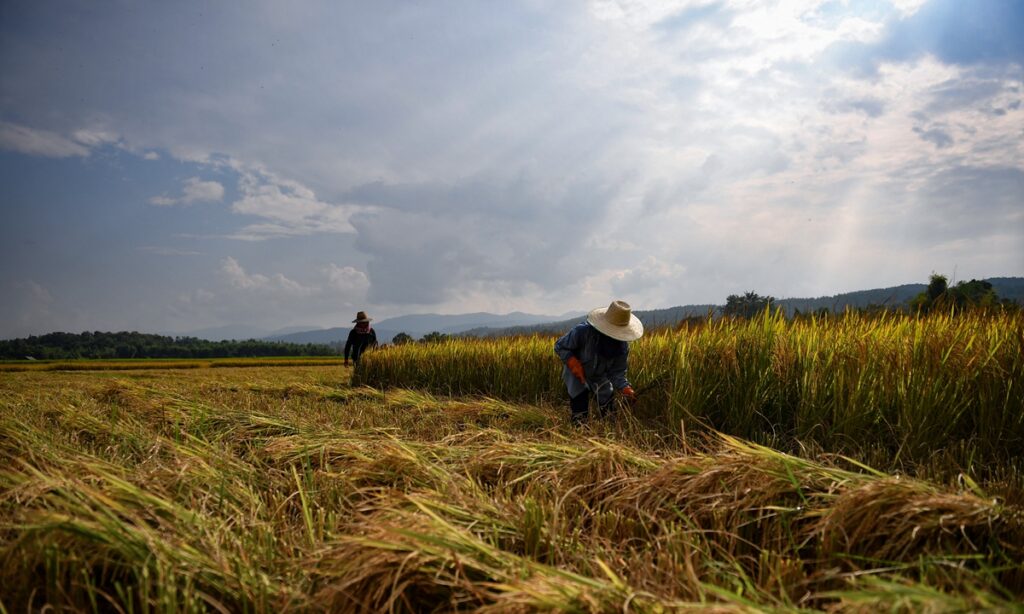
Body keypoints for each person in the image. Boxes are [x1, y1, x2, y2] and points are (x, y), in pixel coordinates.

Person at [554, 300, 643, 424]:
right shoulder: (582, 332)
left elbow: (617, 373)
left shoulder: (622, 347)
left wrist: (625, 388)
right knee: (580, 410)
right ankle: (579, 433)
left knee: (609, 411)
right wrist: (572, 361)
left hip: (599, 377)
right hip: (576, 374)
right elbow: (560, 346)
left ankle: (607, 432)